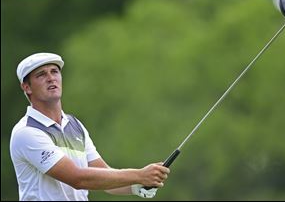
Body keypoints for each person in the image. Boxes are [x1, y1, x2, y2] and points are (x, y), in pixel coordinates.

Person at [10, 52, 170, 201]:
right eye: (41, 75)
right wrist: (140, 175)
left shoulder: (75, 125)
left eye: (54, 71)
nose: (51, 78)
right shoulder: (27, 132)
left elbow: (105, 175)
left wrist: (136, 186)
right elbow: (78, 178)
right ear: (27, 87)